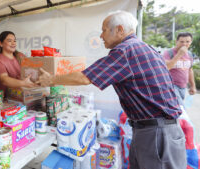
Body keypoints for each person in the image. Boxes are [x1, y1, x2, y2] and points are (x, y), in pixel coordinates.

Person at [37, 11, 186, 169]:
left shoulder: (125, 50)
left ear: (120, 29)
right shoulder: (144, 47)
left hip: (157, 134)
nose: (101, 36)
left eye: (104, 30)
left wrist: (51, 79)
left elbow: (85, 78)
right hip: (153, 130)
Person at [163, 32, 197, 105]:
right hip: (171, 86)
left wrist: (193, 86)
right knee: (181, 108)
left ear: (191, 42)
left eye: (187, 42)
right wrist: (179, 54)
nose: (184, 44)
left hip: (183, 87)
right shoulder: (168, 53)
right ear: (176, 42)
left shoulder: (190, 54)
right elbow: (167, 67)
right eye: (182, 42)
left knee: (177, 109)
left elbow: (190, 70)